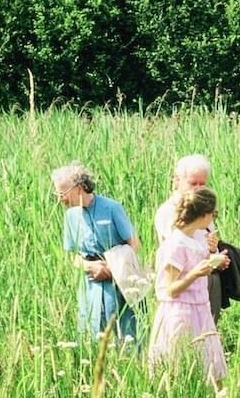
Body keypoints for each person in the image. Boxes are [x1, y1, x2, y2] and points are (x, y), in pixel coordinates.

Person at [52, 162, 141, 344]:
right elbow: (73, 256)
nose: (60, 200)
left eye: (63, 194)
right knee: (91, 332)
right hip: (90, 283)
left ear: (78, 189)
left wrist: (110, 267)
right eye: (57, 194)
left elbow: (134, 244)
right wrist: (90, 266)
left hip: (118, 281)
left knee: (122, 332)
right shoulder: (70, 216)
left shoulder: (112, 208)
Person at [150, 187, 229, 385]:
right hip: (181, 313)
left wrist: (214, 257)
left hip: (201, 309)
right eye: (213, 214)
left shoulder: (196, 238)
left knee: (211, 368)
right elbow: (169, 289)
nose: (213, 219)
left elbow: (199, 264)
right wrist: (196, 273)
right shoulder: (175, 244)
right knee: (180, 367)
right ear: (204, 215)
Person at [155, 155, 224, 320]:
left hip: (205, 284)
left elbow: (206, 248)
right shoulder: (168, 212)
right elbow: (176, 254)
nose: (198, 189)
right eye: (193, 183)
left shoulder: (205, 210)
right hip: (182, 292)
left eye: (202, 184)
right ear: (177, 180)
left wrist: (215, 253)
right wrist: (199, 269)